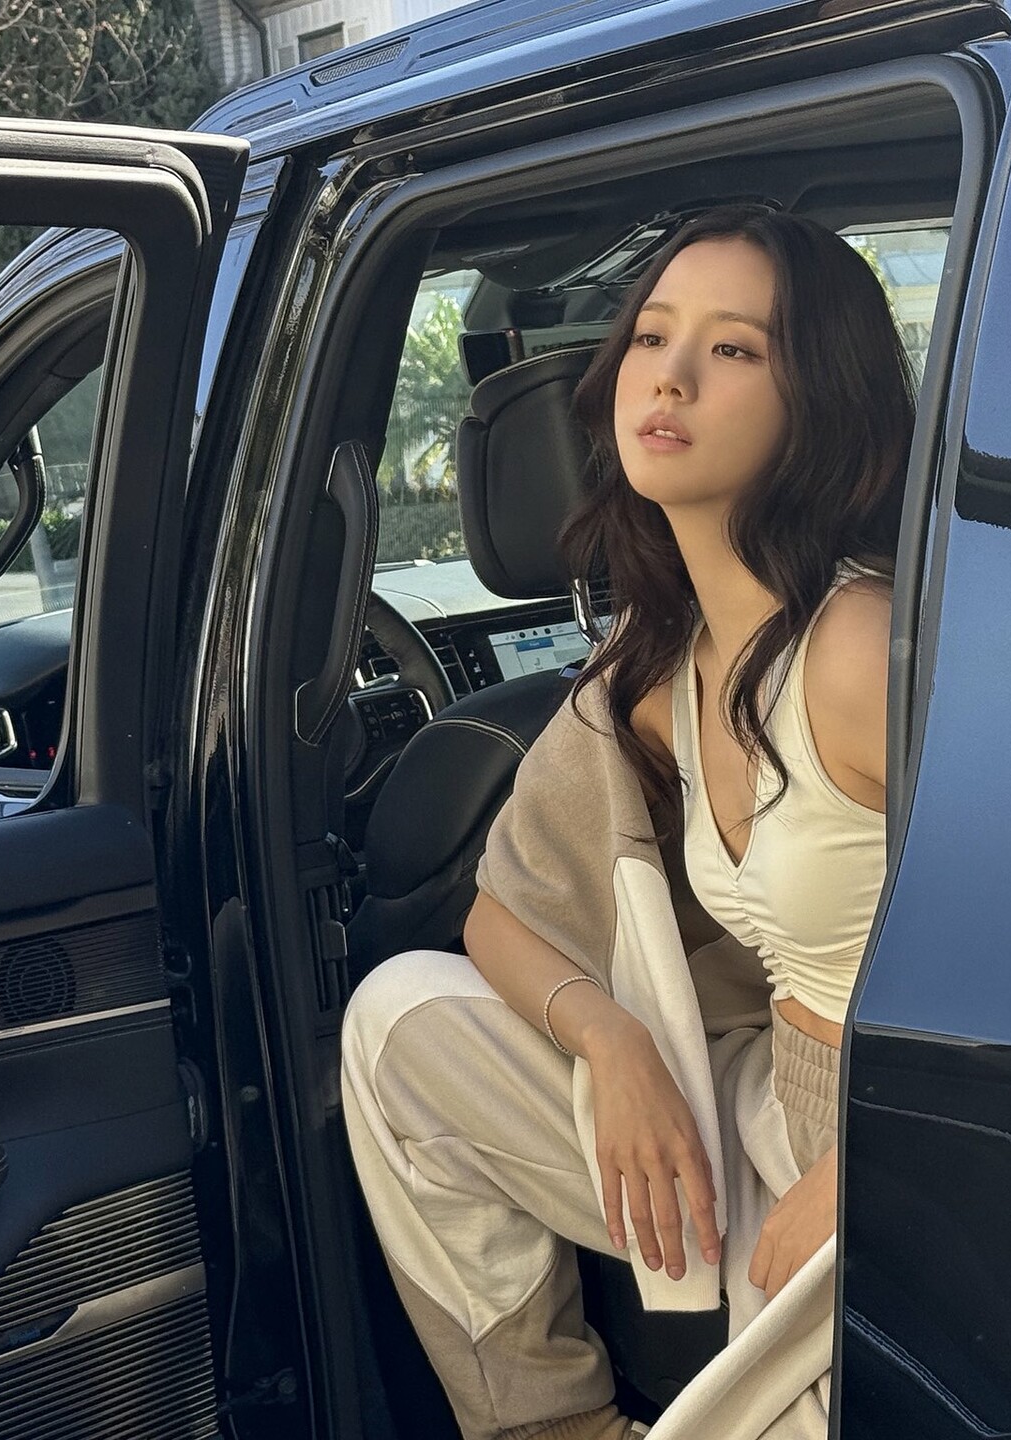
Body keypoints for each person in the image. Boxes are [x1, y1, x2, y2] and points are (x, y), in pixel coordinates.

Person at [341, 204, 912, 1440]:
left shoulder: (860, 649)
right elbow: (503, 912)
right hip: (764, 1110)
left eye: (735, 348)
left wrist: (879, 1166)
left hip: (922, 1136)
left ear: (822, 402)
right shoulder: (663, 672)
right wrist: (614, 1044)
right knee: (399, 1024)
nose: (671, 375)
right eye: (653, 336)